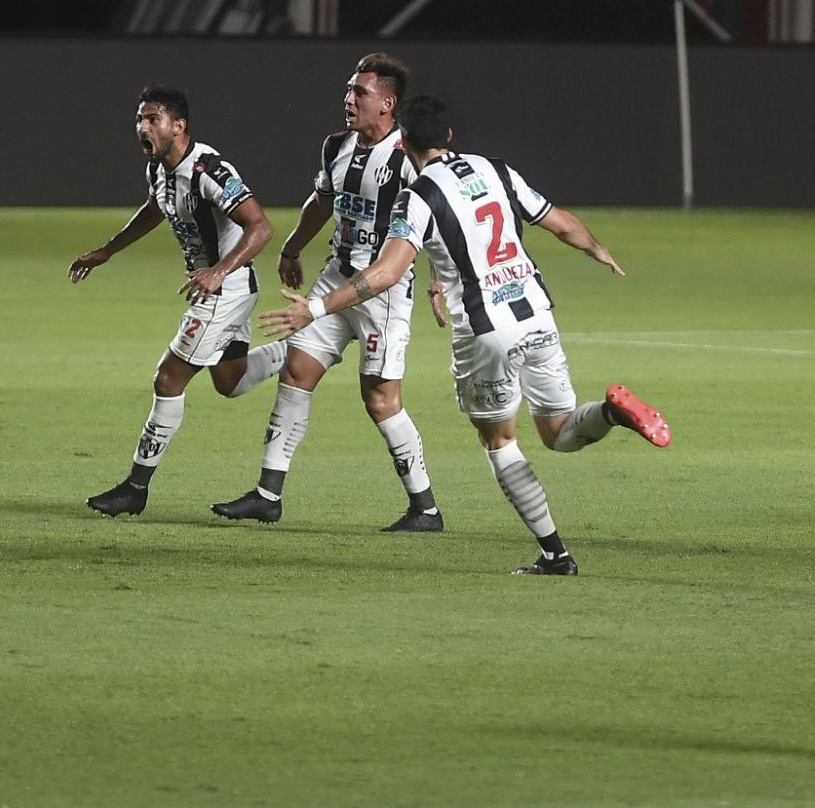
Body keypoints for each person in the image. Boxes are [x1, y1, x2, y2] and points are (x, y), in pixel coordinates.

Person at [257, 94, 671, 575]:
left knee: (500, 442)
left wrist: (316, 306)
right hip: (537, 314)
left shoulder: (419, 195)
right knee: (559, 434)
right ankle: (610, 412)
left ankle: (556, 555)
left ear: (404, 141)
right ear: (449, 136)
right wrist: (597, 249)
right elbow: (557, 221)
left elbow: (388, 272)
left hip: (485, 332)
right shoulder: (495, 169)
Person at [212, 53, 442, 532]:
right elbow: (322, 202)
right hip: (336, 278)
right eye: (348, 90)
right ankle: (267, 494)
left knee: (380, 399)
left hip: (384, 292)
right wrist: (292, 247)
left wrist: (440, 279)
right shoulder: (336, 146)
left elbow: (440, 218)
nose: (348, 99)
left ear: (387, 103)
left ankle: (426, 509)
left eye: (359, 92)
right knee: (297, 372)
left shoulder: (408, 157)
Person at [68, 85, 282, 517]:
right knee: (230, 381)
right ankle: (299, 351)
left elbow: (260, 227)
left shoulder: (209, 170)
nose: (142, 127)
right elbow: (156, 207)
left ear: (178, 126)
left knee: (168, 379)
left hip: (224, 288)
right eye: (139, 119)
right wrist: (107, 250)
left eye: (152, 119)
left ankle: (135, 488)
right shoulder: (159, 169)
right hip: (221, 286)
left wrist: (219, 270)